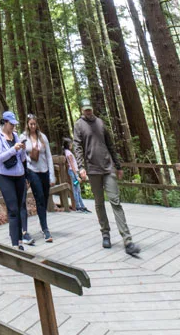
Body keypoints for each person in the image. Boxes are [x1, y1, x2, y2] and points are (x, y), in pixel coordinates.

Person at [73, 99, 140, 256]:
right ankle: (105, 233)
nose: (88, 112)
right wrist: (81, 167)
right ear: (82, 110)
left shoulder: (101, 123)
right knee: (99, 203)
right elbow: (77, 146)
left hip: (107, 167)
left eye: (90, 109)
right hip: (92, 169)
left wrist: (118, 165)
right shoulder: (79, 125)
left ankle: (127, 239)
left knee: (115, 201)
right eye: (86, 110)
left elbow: (111, 145)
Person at [0, 110, 35, 249]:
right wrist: (14, 149)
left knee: (20, 207)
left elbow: (22, 159)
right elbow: (0, 156)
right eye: (11, 124)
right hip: (5, 177)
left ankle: (21, 240)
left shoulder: (16, 136)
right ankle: (15, 244)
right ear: (5, 122)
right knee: (13, 210)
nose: (13, 127)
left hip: (19, 176)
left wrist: (22, 149)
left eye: (14, 124)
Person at [23, 113, 56, 242]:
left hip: (44, 170)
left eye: (34, 123)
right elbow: (22, 155)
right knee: (40, 198)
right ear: (27, 124)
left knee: (45, 198)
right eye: (30, 124)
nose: (32, 126)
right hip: (32, 171)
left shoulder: (43, 138)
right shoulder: (23, 137)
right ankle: (45, 229)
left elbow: (48, 156)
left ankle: (43, 224)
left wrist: (52, 176)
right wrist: (29, 162)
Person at [63, 137, 90, 212]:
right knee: (76, 189)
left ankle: (81, 205)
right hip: (73, 173)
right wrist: (77, 176)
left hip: (72, 172)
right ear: (68, 145)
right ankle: (78, 206)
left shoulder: (66, 152)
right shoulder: (69, 153)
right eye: (70, 144)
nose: (71, 145)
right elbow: (72, 165)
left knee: (77, 188)